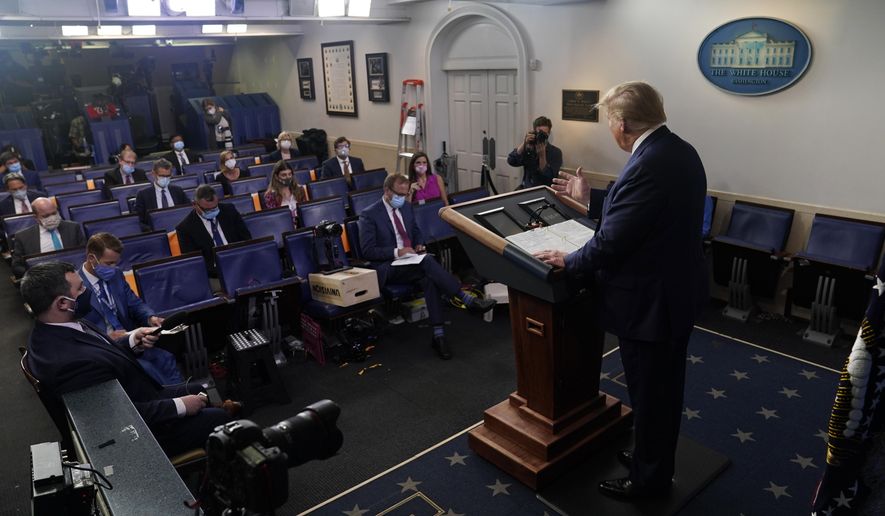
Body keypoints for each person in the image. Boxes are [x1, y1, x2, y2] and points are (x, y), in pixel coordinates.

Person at [535, 81, 707, 500]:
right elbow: (640, 212)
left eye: (610, 120)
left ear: (623, 123)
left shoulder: (646, 164)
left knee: (652, 395)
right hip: (674, 293)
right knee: (662, 392)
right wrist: (590, 198)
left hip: (651, 305)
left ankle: (649, 481)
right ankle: (652, 456)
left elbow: (612, 243)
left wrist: (568, 260)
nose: (611, 128)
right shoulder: (677, 150)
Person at [22, 261, 230, 457]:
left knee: (197, 389)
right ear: (62, 303)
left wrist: (131, 340)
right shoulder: (68, 363)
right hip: (136, 434)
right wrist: (181, 406)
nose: (87, 291)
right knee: (221, 421)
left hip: (137, 395)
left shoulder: (57, 326)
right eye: (80, 289)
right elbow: (118, 418)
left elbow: (98, 351)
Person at [358, 174, 496, 360]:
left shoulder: (406, 207)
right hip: (388, 267)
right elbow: (367, 251)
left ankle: (438, 335)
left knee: (429, 277)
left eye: (405, 194)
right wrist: (397, 252)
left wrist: (420, 244)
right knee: (427, 262)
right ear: (386, 191)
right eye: (398, 194)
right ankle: (466, 299)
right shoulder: (369, 214)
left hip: (411, 263)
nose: (402, 197)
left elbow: (416, 232)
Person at [78, 233, 183, 385]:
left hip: (132, 338)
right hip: (107, 348)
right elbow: (78, 329)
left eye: (116, 263)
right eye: (109, 263)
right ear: (91, 258)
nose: (113, 268)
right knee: (146, 370)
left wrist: (150, 317)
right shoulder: (76, 286)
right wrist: (105, 337)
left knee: (165, 358)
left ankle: (183, 398)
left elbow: (134, 303)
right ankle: (170, 403)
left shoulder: (116, 275)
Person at [176, 184, 252, 275]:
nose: (213, 211)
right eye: (208, 210)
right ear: (195, 205)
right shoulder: (185, 229)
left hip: (241, 263)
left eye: (215, 207)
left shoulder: (229, 210)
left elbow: (246, 239)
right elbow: (195, 263)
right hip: (213, 274)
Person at [12, 197, 86, 278]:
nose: (52, 218)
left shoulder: (73, 228)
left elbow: (84, 255)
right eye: (46, 216)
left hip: (74, 274)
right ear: (36, 217)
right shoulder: (23, 237)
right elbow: (17, 267)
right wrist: (35, 276)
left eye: (54, 213)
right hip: (43, 280)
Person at [507, 115, 563, 188]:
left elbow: (549, 177)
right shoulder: (530, 148)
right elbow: (511, 161)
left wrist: (542, 156)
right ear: (534, 132)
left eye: (544, 134)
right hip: (527, 189)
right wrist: (524, 143)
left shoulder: (555, 152)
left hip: (544, 190)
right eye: (539, 133)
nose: (541, 136)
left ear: (548, 134)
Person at [134, 159, 190, 229]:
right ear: (153, 174)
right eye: (162, 176)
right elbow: (138, 221)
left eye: (168, 176)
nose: (165, 179)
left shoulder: (178, 191)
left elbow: (188, 212)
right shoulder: (143, 195)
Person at [263, 160, 305, 227]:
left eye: (289, 174)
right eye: (284, 175)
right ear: (276, 177)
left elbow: (304, 211)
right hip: (283, 227)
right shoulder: (270, 196)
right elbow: (274, 219)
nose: (287, 177)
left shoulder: (299, 189)